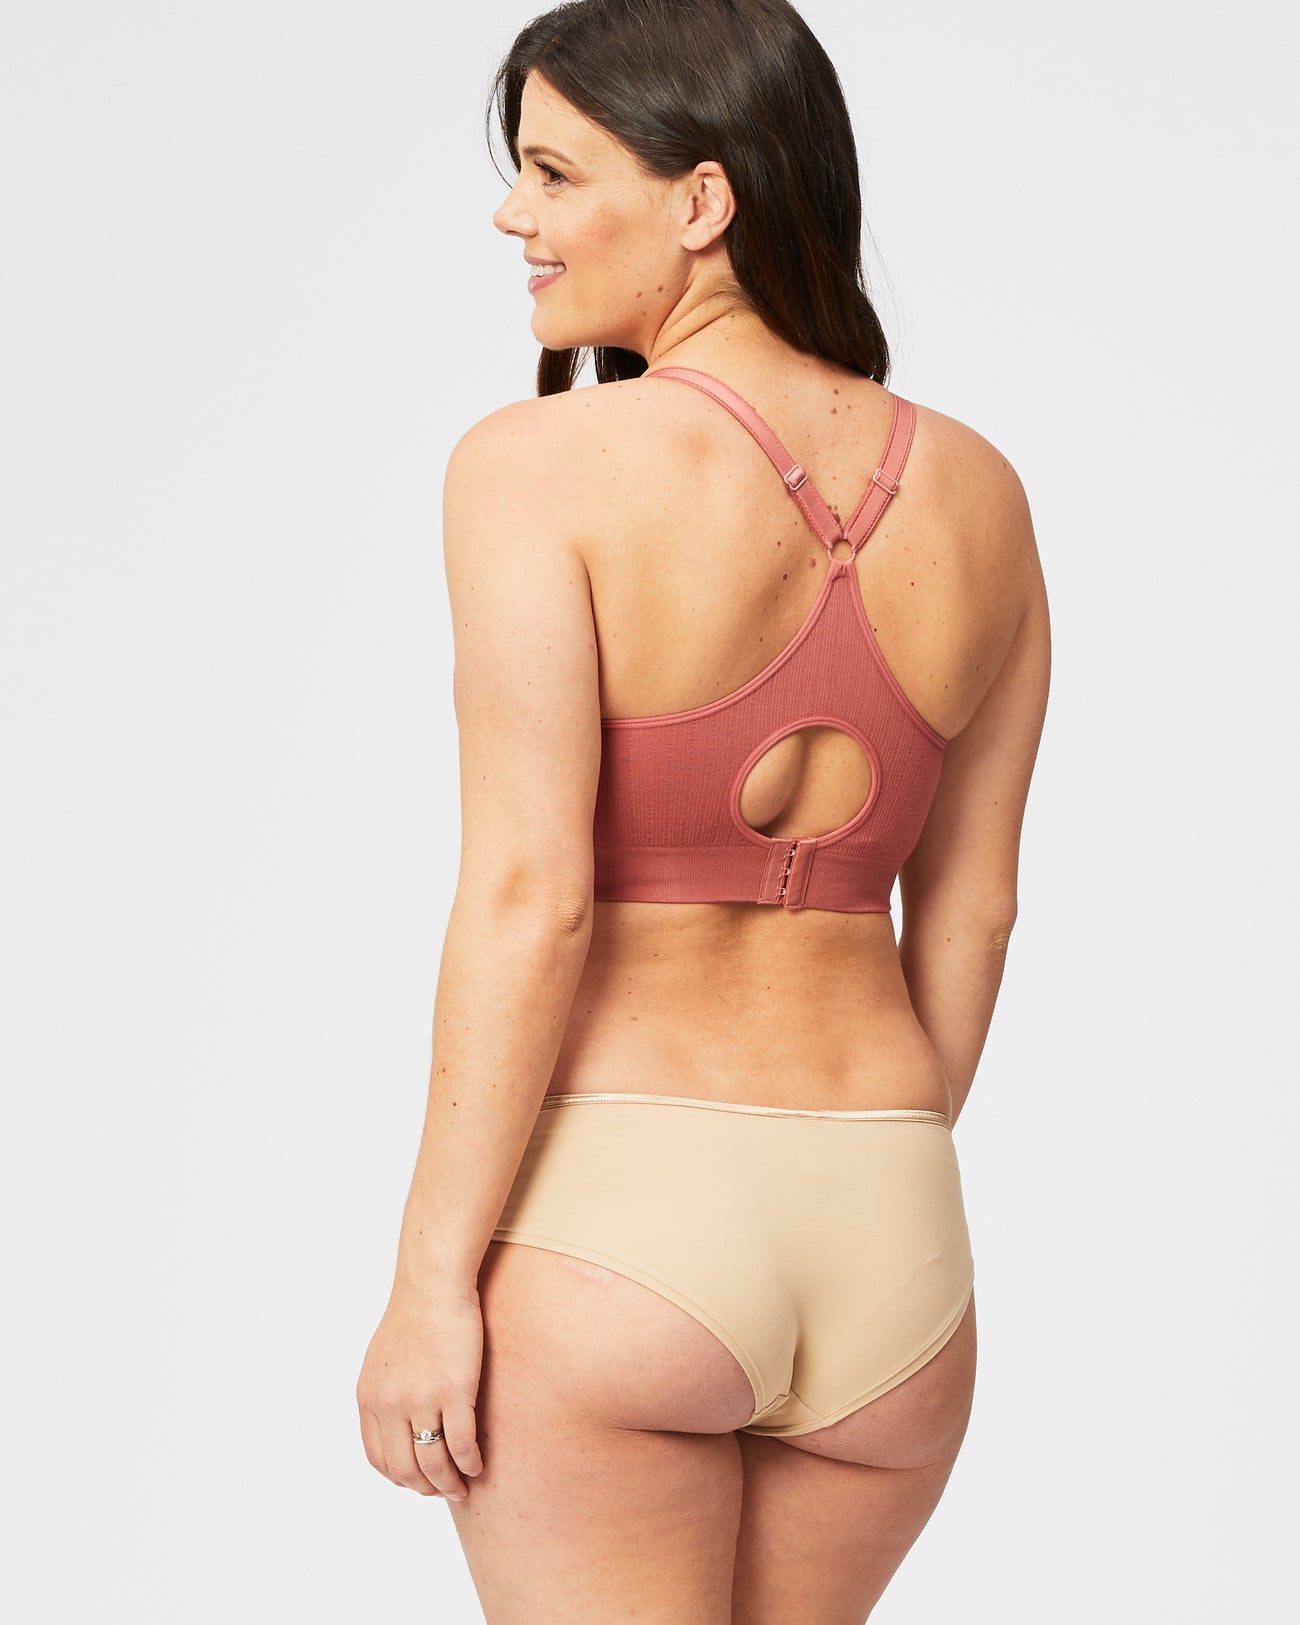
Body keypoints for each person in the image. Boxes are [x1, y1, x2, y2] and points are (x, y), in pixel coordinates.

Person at [356, 0, 1050, 1618]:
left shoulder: (537, 466)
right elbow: (975, 908)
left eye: (553, 172)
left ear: (702, 201)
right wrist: (861, 1183)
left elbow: (533, 897)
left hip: (623, 1219)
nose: (514, 217)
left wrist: (428, 1279)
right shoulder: (983, 494)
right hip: (892, 1233)